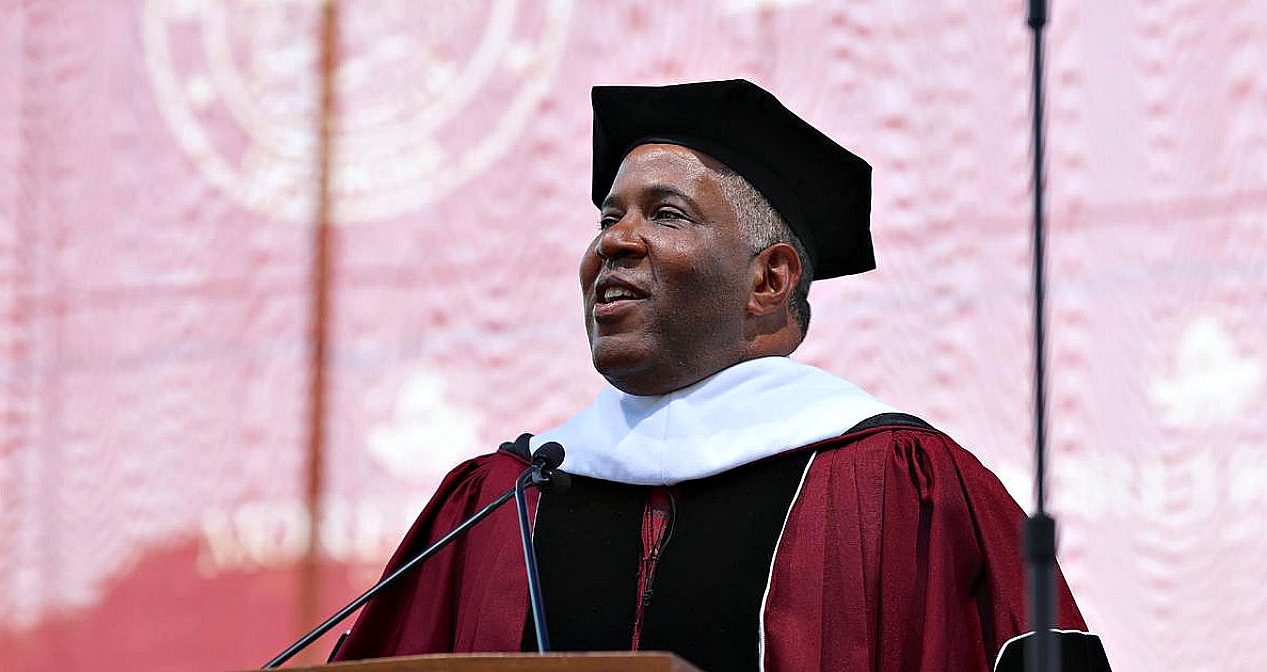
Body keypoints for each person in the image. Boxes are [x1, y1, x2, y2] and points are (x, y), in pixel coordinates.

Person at [332, 80, 1107, 671]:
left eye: (666, 214)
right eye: (608, 218)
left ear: (769, 280)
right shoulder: (500, 500)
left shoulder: (902, 488)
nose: (614, 244)